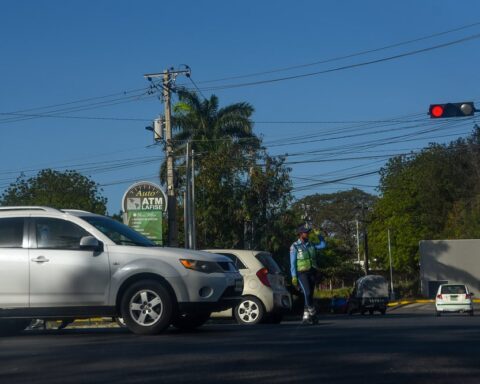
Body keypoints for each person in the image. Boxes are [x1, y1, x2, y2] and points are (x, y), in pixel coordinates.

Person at [290, 224, 326, 324]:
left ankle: (306, 317)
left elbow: (323, 245)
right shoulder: (294, 246)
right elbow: (292, 263)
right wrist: (294, 276)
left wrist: (319, 235)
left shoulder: (311, 244)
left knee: (309, 295)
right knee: (308, 292)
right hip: (301, 273)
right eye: (306, 232)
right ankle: (313, 314)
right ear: (300, 234)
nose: (308, 234)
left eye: (308, 232)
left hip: (312, 272)